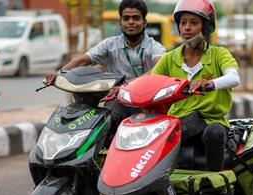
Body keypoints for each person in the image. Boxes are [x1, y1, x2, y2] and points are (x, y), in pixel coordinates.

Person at [44, 0, 166, 137]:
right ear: (120, 23)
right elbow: (82, 60)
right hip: (117, 100)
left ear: (144, 22)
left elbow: (158, 67)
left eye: (136, 18)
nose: (131, 22)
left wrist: (128, 86)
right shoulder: (109, 44)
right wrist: (59, 73)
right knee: (104, 123)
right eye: (126, 18)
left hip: (147, 102)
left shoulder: (155, 47)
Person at [151, 0, 241, 171]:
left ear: (206, 27)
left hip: (211, 123)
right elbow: (152, 82)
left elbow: (233, 78)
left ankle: (217, 182)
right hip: (178, 125)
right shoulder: (169, 58)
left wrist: (210, 83)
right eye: (183, 22)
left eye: (194, 23)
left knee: (214, 132)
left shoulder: (218, 54)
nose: (186, 27)